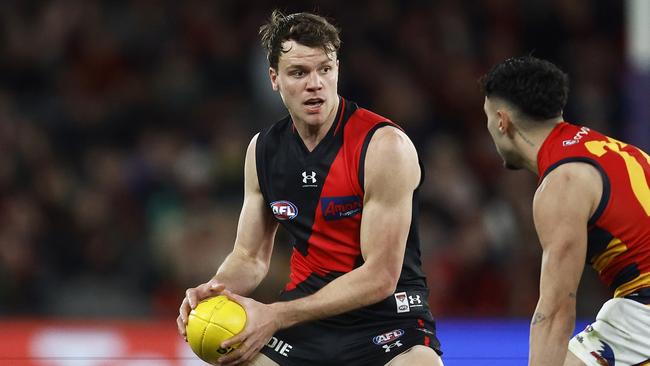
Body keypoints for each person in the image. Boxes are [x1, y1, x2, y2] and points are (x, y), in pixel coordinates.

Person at [177, 10, 443, 366]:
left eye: (325, 69)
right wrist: (214, 290)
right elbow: (250, 257)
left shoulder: (384, 147)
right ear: (274, 78)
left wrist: (277, 315)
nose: (314, 83)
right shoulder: (262, 151)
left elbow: (380, 276)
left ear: (337, 71)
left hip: (388, 320)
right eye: (299, 73)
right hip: (307, 321)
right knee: (228, 352)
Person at [481, 56, 650, 366]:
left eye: (488, 118)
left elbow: (556, 311)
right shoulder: (615, 150)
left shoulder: (563, 182)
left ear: (502, 121)